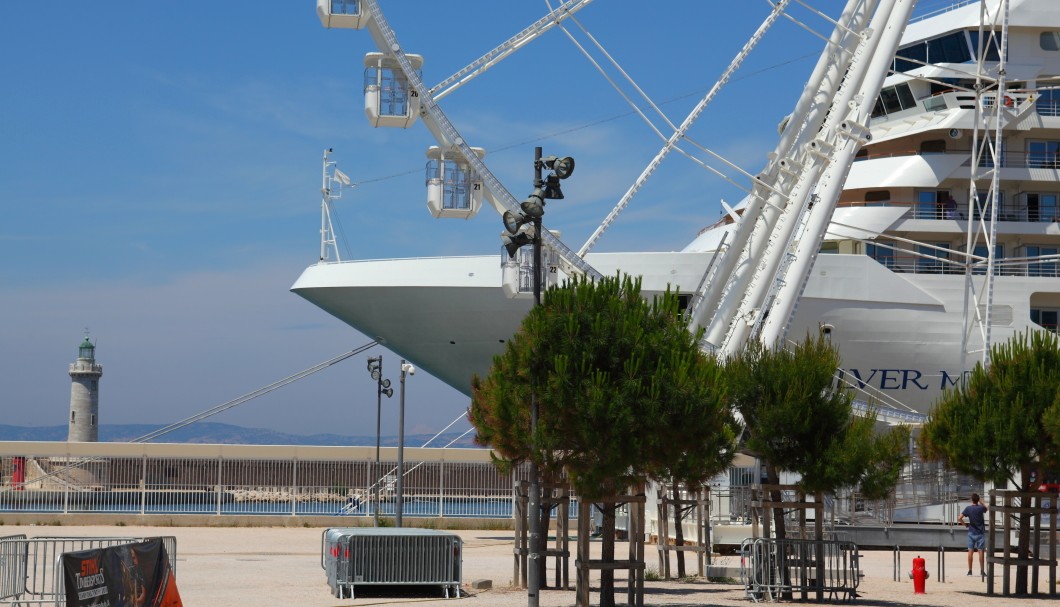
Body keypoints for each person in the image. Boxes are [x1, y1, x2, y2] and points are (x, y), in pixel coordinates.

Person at [958, 493, 988, 577]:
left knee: (970, 551)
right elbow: (987, 508)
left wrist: (965, 525)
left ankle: (970, 571)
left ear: (972, 500)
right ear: (977, 500)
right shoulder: (981, 508)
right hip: (980, 532)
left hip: (971, 532)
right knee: (980, 551)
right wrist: (981, 502)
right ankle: (982, 571)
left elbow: (959, 518)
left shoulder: (968, 508)